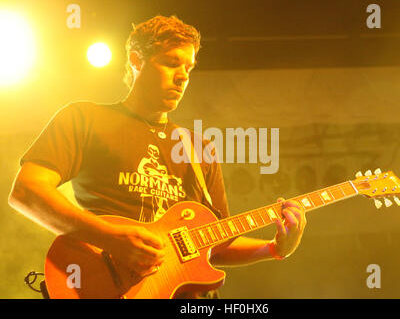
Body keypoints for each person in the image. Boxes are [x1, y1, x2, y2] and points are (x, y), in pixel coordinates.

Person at [8, 15, 307, 298]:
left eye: (188, 68)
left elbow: (215, 246)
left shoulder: (198, 147)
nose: (182, 78)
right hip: (103, 285)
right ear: (136, 61)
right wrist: (112, 239)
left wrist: (275, 248)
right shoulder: (85, 117)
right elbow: (27, 190)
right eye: (170, 63)